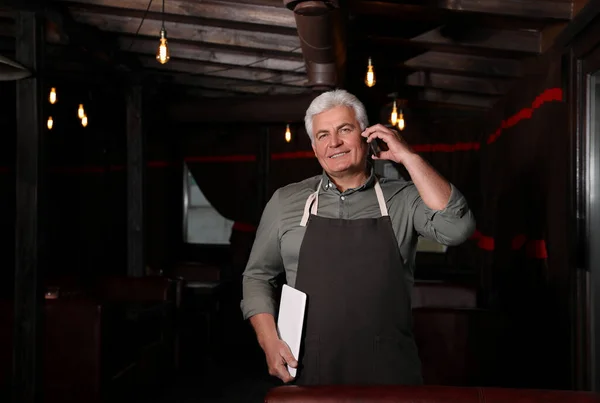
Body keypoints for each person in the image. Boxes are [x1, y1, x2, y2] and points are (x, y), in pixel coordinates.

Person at [240, 89, 475, 386]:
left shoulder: (403, 199)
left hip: (390, 373)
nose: (334, 142)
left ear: (366, 136)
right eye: (322, 135)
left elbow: (458, 227)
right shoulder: (286, 201)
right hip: (308, 369)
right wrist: (269, 340)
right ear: (314, 148)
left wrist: (408, 156)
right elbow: (257, 276)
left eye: (344, 130)